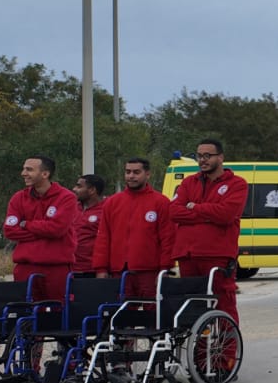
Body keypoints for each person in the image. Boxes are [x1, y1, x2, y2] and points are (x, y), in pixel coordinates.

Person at [170, 138, 248, 323]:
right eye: (199, 156)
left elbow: (226, 214)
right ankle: (199, 342)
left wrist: (194, 207)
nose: (202, 160)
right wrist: (208, 213)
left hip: (217, 255)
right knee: (192, 306)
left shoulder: (237, 184)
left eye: (207, 155)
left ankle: (227, 343)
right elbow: (173, 212)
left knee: (223, 303)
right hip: (188, 255)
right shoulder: (189, 182)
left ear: (220, 157)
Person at [92, 157, 174, 300]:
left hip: (150, 271)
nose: (131, 176)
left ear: (147, 174)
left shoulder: (161, 202)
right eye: (128, 172)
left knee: (152, 309)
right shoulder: (112, 202)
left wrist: (165, 268)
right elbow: (103, 237)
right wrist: (101, 268)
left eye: (136, 172)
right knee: (121, 310)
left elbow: (168, 238)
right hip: (119, 271)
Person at [3, 155, 80, 303]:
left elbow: (57, 229)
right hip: (25, 267)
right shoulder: (18, 198)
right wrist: (44, 231)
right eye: (24, 169)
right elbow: (10, 231)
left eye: (29, 169)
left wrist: (26, 224)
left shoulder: (66, 197)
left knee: (58, 310)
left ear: (45, 174)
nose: (23, 173)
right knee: (25, 310)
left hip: (56, 268)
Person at [72, 173, 106, 274]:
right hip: (70, 268)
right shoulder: (72, 208)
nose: (74, 189)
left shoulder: (106, 209)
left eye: (79, 186)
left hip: (91, 269)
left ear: (92, 190)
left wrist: (102, 269)